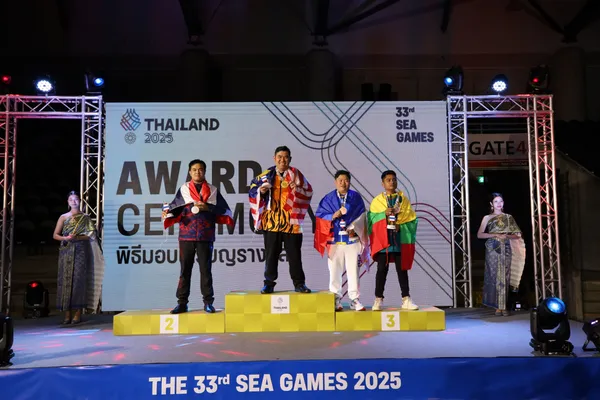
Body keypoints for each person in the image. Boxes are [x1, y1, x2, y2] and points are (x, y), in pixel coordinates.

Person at [163, 159, 233, 314]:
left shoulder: (212, 190)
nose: (197, 172)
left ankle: (208, 303)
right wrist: (167, 213)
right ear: (190, 172)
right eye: (194, 169)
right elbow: (175, 208)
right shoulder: (184, 189)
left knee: (205, 271)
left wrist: (208, 207)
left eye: (200, 169)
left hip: (205, 235)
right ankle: (182, 303)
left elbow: (223, 210)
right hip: (186, 235)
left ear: (204, 171)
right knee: (184, 271)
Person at [249, 146, 312, 294]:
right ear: (274, 158)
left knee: (295, 256)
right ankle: (269, 284)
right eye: (279, 157)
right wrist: (261, 191)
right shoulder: (266, 175)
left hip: (292, 223)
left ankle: (299, 284)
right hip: (272, 223)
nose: (282, 160)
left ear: (290, 159)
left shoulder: (296, 175)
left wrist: (297, 189)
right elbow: (252, 190)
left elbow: (308, 191)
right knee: (271, 256)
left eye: (286, 157)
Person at [315, 170, 369, 311]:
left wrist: (354, 228)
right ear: (335, 182)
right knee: (334, 271)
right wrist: (333, 216)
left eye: (346, 180)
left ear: (349, 182)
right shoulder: (328, 199)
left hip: (352, 240)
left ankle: (354, 299)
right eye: (340, 180)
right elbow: (320, 216)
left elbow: (363, 216)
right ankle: (335, 299)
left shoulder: (356, 197)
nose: (343, 183)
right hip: (334, 241)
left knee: (353, 271)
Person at [367, 170, 419, 311]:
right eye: (388, 180)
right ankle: (378, 299)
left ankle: (406, 299)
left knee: (402, 270)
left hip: (399, 240)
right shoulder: (377, 201)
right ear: (383, 183)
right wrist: (383, 214)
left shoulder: (403, 200)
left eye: (394, 179)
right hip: (383, 242)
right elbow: (371, 219)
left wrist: (400, 226)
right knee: (381, 270)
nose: (392, 182)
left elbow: (412, 219)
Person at [52, 191, 104, 325]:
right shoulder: (63, 217)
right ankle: (67, 313)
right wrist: (65, 238)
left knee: (79, 280)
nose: (74, 201)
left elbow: (91, 235)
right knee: (66, 280)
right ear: (68, 202)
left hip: (81, 250)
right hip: (66, 250)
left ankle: (78, 313)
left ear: (80, 201)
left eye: (76, 199)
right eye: (71, 199)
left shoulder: (85, 217)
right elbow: (55, 235)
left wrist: (78, 237)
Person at [477, 192, 526, 316]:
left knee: (504, 276)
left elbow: (517, 235)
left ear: (503, 203)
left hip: (506, 248)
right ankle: (498, 307)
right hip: (492, 249)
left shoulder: (508, 218)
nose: (499, 204)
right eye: (496, 201)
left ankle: (503, 306)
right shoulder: (487, 218)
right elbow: (480, 234)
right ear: (491, 204)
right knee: (494, 276)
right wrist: (495, 234)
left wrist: (506, 236)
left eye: (501, 201)